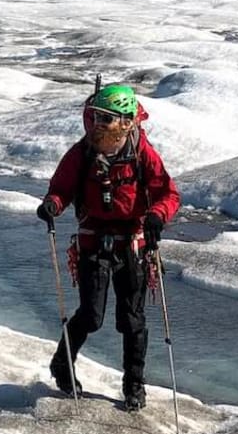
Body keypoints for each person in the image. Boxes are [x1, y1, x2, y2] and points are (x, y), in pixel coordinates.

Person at [35, 84, 180, 411]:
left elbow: (167, 194)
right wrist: (53, 204)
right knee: (91, 316)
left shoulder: (142, 153)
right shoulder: (82, 152)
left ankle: (134, 385)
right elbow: (61, 189)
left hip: (133, 245)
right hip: (93, 241)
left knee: (132, 319)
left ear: (127, 121)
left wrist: (157, 216)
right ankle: (62, 363)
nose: (97, 124)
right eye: (96, 117)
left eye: (106, 118)